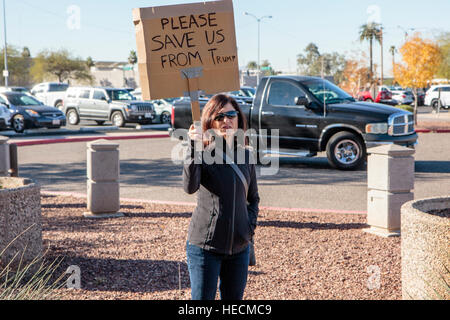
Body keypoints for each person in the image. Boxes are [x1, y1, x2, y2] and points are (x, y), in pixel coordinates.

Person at [183, 93, 260, 300]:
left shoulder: (245, 154)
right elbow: (190, 187)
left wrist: (248, 227)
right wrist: (193, 148)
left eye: (231, 115)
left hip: (239, 248)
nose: (227, 120)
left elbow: (253, 198)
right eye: (220, 117)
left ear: (238, 119)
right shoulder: (203, 152)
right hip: (205, 247)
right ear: (210, 122)